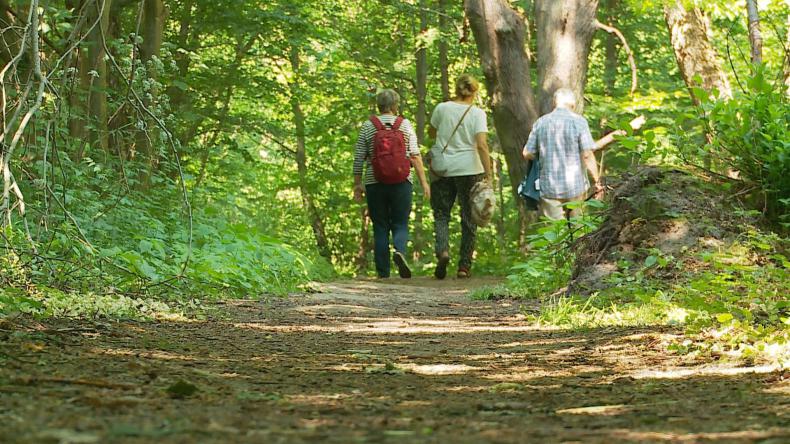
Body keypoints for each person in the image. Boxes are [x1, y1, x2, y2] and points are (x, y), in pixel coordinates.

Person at [353, 89, 430, 279]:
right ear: (395, 105)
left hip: (374, 181)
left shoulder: (368, 126)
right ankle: (400, 252)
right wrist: (424, 182)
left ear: (378, 105)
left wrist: (357, 185)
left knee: (380, 225)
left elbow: (358, 158)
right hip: (402, 181)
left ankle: (383, 272)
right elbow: (415, 155)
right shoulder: (404, 125)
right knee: (400, 223)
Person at [427, 74, 493, 279]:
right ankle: (464, 266)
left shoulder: (441, 108)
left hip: (442, 168)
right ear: (474, 92)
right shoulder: (477, 114)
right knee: (469, 217)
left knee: (441, 214)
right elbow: (481, 144)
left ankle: (443, 251)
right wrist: (488, 174)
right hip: (469, 169)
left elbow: (431, 133)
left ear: (457, 89)